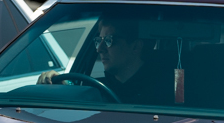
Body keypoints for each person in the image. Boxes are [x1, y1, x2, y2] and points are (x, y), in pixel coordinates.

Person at [39, 17, 170, 106]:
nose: (99, 49)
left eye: (109, 40)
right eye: (98, 41)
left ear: (135, 46)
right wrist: (60, 84)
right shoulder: (94, 88)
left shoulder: (165, 93)